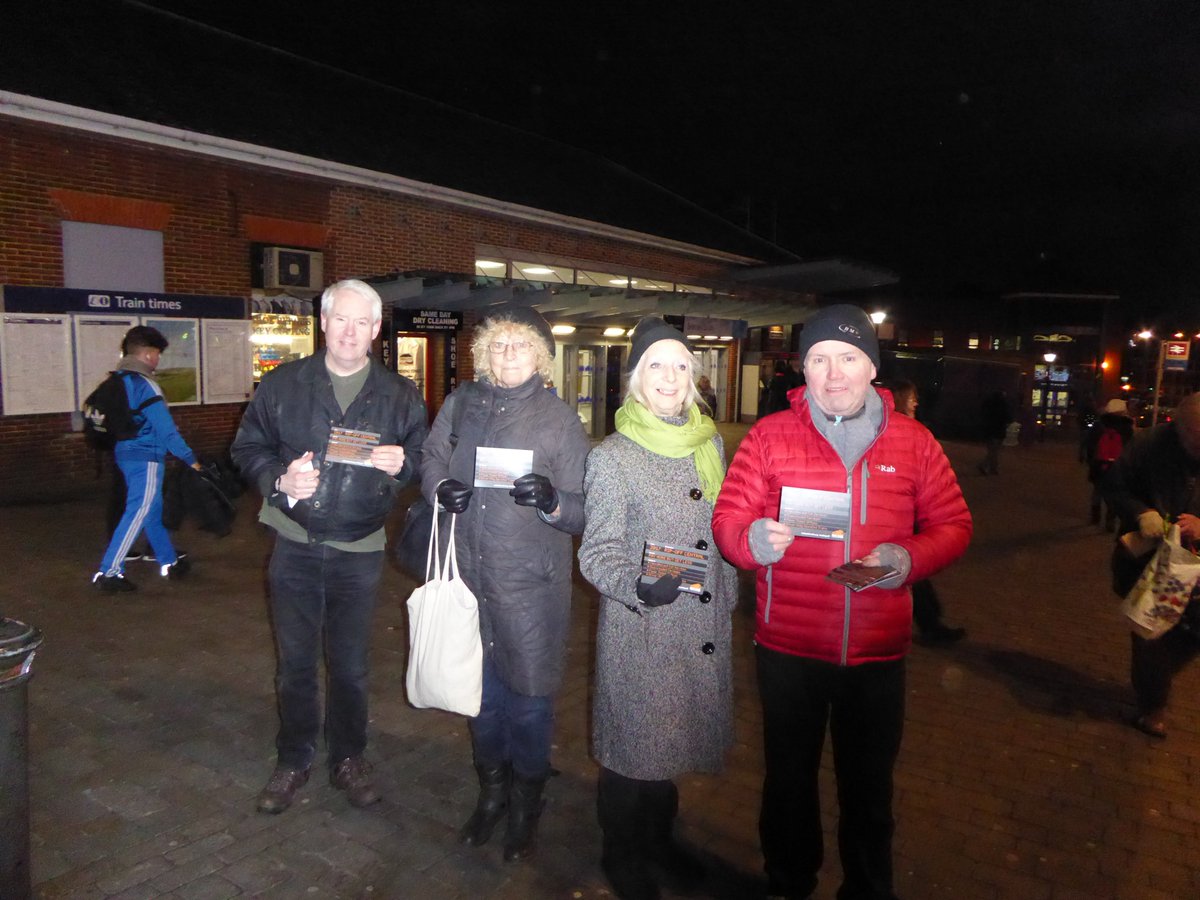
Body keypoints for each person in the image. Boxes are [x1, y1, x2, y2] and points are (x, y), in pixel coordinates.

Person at [712, 304, 972, 900]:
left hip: (878, 653)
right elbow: (729, 518)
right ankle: (789, 879)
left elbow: (953, 524)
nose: (833, 373)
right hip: (789, 649)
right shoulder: (770, 435)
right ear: (802, 369)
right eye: (819, 359)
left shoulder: (914, 442)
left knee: (869, 789)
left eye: (848, 358)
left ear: (871, 367)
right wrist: (749, 541)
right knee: (788, 782)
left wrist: (905, 559)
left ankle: (867, 887)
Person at [231, 279, 428, 814]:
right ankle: (293, 758)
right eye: (341, 319)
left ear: (376, 329)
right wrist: (278, 480)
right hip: (294, 545)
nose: (350, 331)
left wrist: (403, 465)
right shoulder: (282, 385)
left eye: (362, 322)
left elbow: (421, 454)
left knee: (350, 665)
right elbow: (246, 445)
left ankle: (348, 756)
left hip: (359, 548)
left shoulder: (400, 395)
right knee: (294, 663)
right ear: (323, 322)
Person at [421, 304, 588, 862]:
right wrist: (440, 486)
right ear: (483, 353)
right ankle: (492, 793)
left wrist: (552, 501)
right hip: (469, 576)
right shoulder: (462, 403)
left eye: (520, 345)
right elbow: (431, 455)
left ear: (540, 356)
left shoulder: (558, 419)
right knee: (481, 699)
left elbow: (585, 509)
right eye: (498, 345)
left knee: (528, 701)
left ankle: (527, 802)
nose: (508, 354)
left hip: (530, 587)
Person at [578, 318, 738, 899]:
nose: (668, 377)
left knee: (670, 749)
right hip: (642, 629)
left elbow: (722, 528)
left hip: (699, 624)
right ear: (635, 380)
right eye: (655, 365)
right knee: (632, 753)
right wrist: (636, 585)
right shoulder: (614, 457)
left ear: (693, 376)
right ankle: (623, 854)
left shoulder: (710, 442)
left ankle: (661, 844)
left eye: (679, 365)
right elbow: (596, 554)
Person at [1103, 392, 1200, 739]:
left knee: (1187, 636)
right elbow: (1114, 485)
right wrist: (1141, 512)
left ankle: (1155, 678)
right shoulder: (1149, 445)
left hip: (1195, 563)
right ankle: (1153, 706)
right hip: (1149, 560)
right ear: (1182, 430)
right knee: (1151, 632)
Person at [91, 325, 202, 592]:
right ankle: (109, 571)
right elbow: (166, 431)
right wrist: (191, 460)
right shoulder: (145, 386)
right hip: (147, 458)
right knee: (139, 510)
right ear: (148, 354)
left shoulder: (118, 381)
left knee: (150, 511)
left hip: (125, 455)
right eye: (157, 353)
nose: (158, 359)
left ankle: (169, 560)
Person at [887, 379, 967, 646]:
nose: (916, 403)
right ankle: (930, 624)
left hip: (902, 514)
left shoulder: (910, 431)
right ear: (899, 398)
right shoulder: (901, 430)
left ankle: (930, 621)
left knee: (911, 571)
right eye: (912, 398)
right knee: (910, 571)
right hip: (895, 516)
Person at [1085, 398, 1135, 530]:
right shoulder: (1127, 427)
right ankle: (1110, 521)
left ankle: (1095, 517)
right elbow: (1131, 447)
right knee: (1114, 493)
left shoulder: (1099, 425)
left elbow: (1090, 444)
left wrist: (1091, 461)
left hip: (1099, 464)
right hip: (1117, 465)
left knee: (1097, 491)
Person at [977, 389, 1013, 474]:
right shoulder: (1003, 405)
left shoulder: (988, 404)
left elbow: (983, 414)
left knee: (992, 450)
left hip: (989, 430)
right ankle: (986, 465)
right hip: (998, 430)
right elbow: (1008, 417)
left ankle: (993, 468)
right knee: (995, 450)